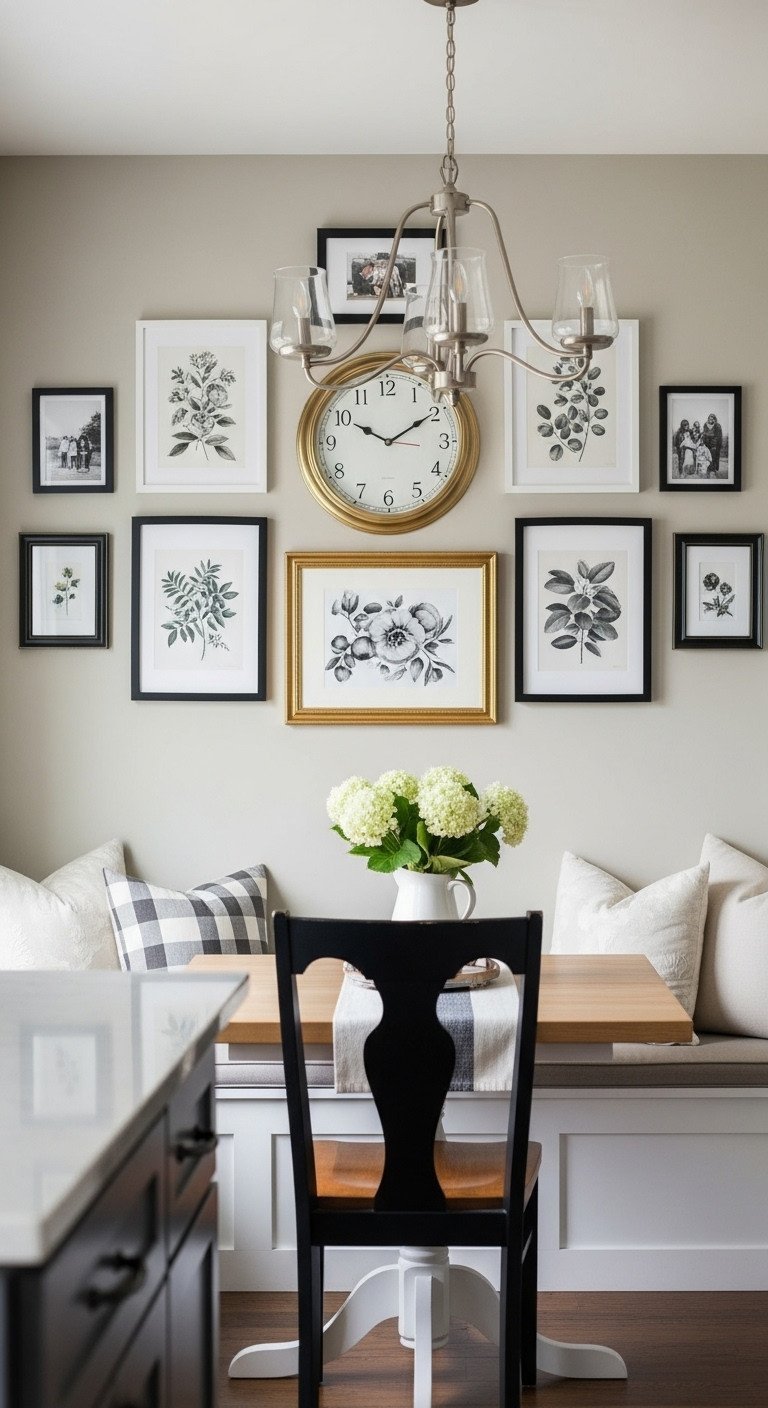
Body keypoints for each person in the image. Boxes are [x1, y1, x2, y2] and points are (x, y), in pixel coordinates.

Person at [702, 412, 723, 479]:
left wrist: (715, 444)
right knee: (707, 458)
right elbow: (704, 434)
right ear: (708, 419)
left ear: (714, 419)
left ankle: (713, 471)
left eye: (712, 419)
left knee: (713, 458)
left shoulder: (717, 426)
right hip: (706, 445)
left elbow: (718, 437)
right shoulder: (705, 425)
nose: (711, 420)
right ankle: (708, 471)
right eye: (709, 418)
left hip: (714, 445)